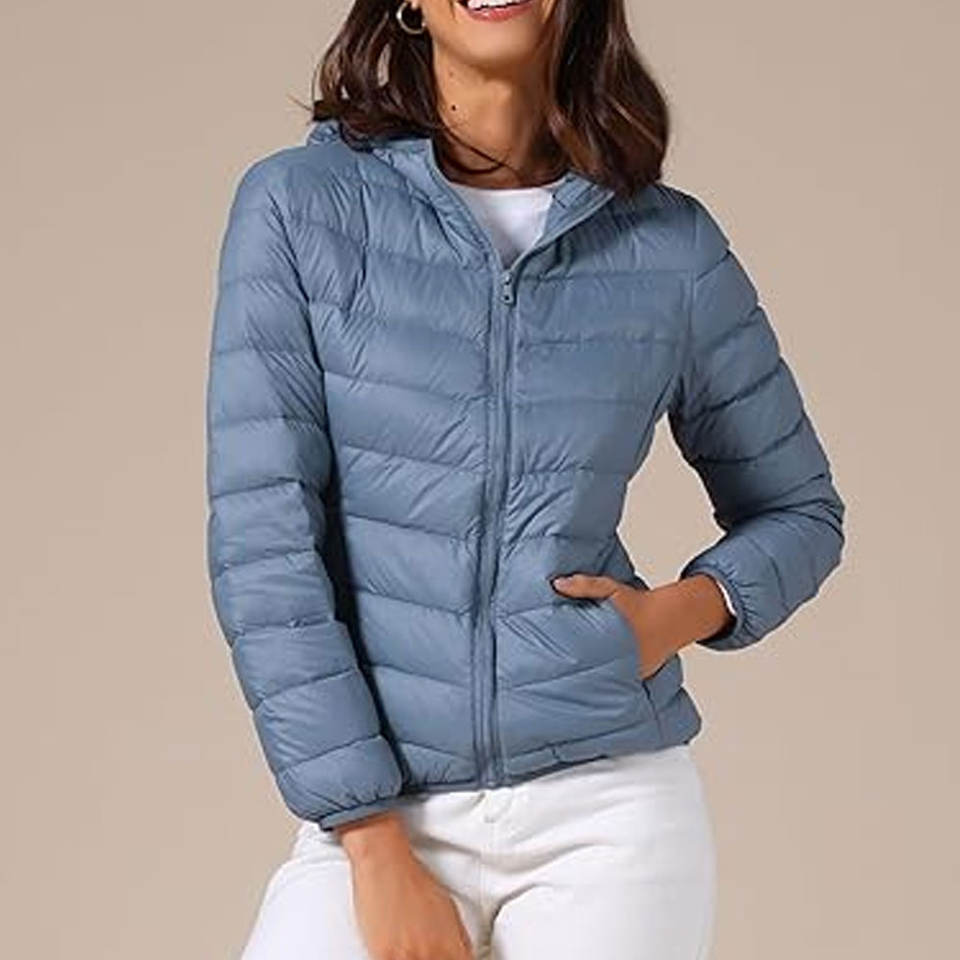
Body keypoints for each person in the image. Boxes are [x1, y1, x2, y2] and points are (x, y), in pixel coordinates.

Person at [204, 2, 846, 958]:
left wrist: (667, 619)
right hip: (384, 809)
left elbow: (801, 511)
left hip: (607, 813)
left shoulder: (668, 244)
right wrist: (372, 842)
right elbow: (265, 549)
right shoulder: (300, 208)